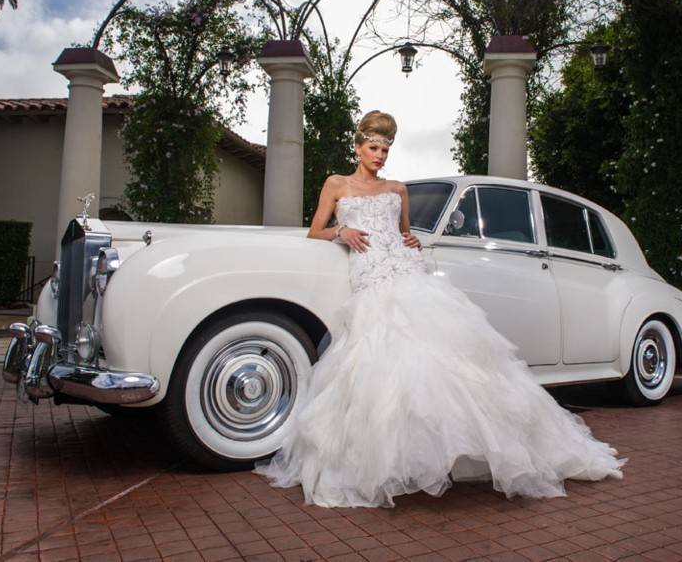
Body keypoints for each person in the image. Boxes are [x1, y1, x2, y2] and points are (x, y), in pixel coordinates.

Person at [253, 110, 626, 508]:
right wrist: (341, 232)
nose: (380, 155)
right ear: (358, 146)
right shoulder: (336, 184)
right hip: (371, 279)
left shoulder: (397, 189)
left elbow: (403, 233)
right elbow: (315, 230)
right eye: (374, 147)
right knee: (378, 366)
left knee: (441, 360)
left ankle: (470, 449)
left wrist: (410, 241)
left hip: (405, 272)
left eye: (386, 148)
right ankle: (390, 460)